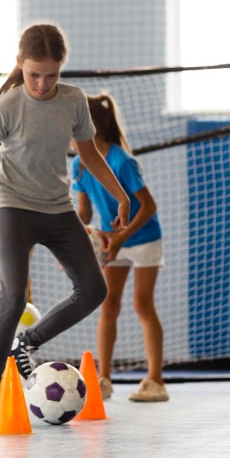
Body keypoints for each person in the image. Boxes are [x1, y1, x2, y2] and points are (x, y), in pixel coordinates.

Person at [0, 22, 130, 423]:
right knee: (12, 297)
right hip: (12, 207)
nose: (42, 84)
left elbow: (89, 156)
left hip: (57, 208)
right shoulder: (7, 106)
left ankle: (26, 343)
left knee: (94, 289)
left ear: (62, 69)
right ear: (20, 64)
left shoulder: (73, 101)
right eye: (33, 74)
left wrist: (121, 195)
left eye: (51, 75)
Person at [72, 94, 167, 403]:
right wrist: (70, 242)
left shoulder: (122, 162)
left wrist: (121, 239)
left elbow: (148, 206)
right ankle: (104, 379)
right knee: (108, 305)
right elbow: (84, 213)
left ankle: (156, 381)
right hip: (112, 240)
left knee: (142, 304)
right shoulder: (78, 165)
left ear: (90, 128)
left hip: (143, 238)